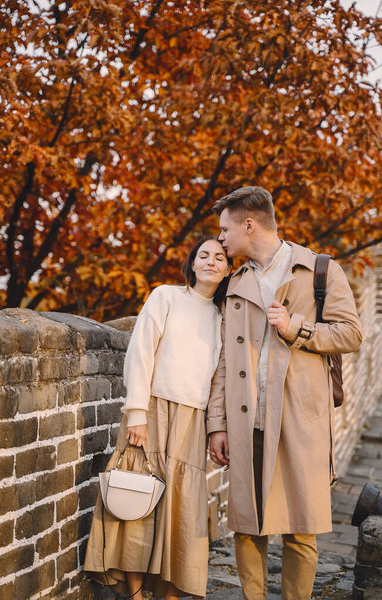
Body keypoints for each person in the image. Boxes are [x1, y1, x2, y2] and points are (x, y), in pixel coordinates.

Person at [207, 186, 363, 600]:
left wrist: (295, 327)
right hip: (247, 423)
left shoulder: (319, 270)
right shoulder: (234, 281)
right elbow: (223, 360)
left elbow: (352, 334)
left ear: (249, 225)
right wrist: (217, 425)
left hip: (300, 420)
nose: (221, 239)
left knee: (301, 529)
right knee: (245, 526)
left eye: (226, 229)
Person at [84, 236, 232, 600]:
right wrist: (136, 412)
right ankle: (133, 593)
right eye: (204, 255)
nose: (211, 261)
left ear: (229, 269)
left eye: (220, 257)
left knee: (180, 513)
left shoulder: (224, 318)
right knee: (137, 503)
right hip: (150, 413)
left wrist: (216, 428)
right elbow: (140, 352)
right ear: (192, 264)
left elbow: (219, 381)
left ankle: (169, 594)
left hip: (192, 424)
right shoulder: (165, 296)